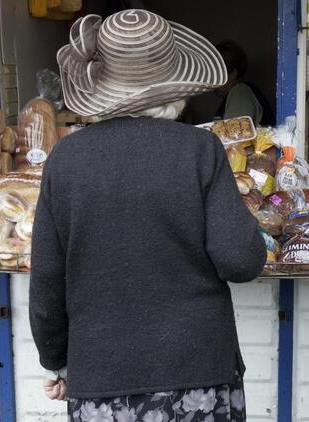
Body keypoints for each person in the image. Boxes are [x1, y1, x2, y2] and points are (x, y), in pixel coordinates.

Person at [29, 10, 266, 421]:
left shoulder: (66, 158)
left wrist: (56, 361)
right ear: (176, 86)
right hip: (198, 375)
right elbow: (240, 261)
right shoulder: (200, 150)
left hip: (101, 376)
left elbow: (47, 280)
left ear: (101, 87)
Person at [214, 40, 275, 126]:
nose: (211, 80)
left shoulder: (240, 93)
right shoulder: (237, 93)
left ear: (233, 73)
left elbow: (235, 133)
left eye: (216, 73)